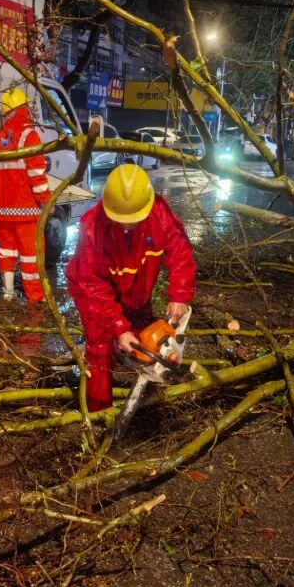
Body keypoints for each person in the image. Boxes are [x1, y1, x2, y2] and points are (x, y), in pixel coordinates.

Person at [66, 163, 196, 413]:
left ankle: (147, 403)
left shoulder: (159, 213)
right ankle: (100, 413)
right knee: (101, 347)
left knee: (145, 339)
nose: (126, 226)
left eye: (133, 221)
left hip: (137, 285)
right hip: (92, 290)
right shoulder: (92, 226)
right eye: (120, 221)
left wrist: (179, 294)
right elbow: (92, 284)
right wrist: (117, 326)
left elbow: (181, 254)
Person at [0, 88, 51, 302]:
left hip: (1, 210)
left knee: (6, 251)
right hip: (26, 210)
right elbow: (36, 176)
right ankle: (34, 297)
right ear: (24, 108)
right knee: (30, 255)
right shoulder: (29, 135)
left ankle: (8, 292)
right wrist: (46, 202)